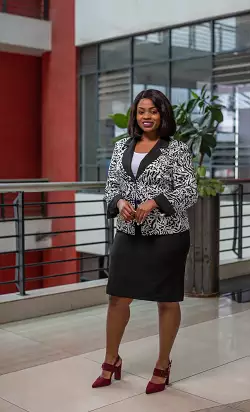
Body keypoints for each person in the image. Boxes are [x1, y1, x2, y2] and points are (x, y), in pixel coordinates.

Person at [92, 89, 198, 394]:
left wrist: (155, 202)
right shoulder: (122, 146)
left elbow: (190, 189)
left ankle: (163, 364)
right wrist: (119, 201)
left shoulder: (175, 149)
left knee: (167, 300)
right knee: (117, 299)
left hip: (168, 235)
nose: (147, 116)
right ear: (134, 115)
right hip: (128, 234)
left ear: (163, 114)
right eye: (141, 111)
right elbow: (111, 184)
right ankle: (111, 359)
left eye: (153, 111)